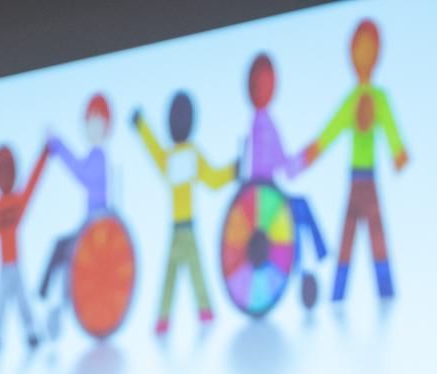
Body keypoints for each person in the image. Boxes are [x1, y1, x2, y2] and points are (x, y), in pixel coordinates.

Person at [296, 17, 408, 301]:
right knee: (347, 237)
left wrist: (398, 153)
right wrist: (308, 156)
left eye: (369, 49)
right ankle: (337, 294)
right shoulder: (351, 100)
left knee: (377, 236)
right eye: (359, 48)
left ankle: (385, 293)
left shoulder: (380, 98)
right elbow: (331, 130)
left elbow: (390, 126)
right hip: (355, 180)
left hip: (369, 180)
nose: (363, 55)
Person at [132, 93, 237, 333]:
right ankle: (200, 312)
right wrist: (234, 170)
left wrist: (141, 125)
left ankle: (167, 319)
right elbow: (214, 180)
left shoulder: (172, 158)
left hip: (180, 228)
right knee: (190, 271)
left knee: (174, 274)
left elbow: (154, 149)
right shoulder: (189, 155)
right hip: (184, 227)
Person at [242, 52, 327, 276]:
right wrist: (306, 158)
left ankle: (300, 264)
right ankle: (299, 264)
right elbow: (282, 165)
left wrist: (305, 159)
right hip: (264, 197)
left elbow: (284, 165)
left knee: (298, 210)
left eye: (267, 83)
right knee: (298, 210)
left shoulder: (265, 121)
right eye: (259, 84)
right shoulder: (262, 122)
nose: (263, 89)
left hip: (267, 193)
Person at [38, 94, 113, 338]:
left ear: (105, 126)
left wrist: (58, 145)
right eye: (88, 122)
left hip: (97, 232)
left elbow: (81, 174)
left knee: (66, 250)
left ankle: (58, 300)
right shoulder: (94, 157)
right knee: (61, 247)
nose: (90, 127)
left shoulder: (99, 159)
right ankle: (47, 297)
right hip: (89, 228)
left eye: (96, 122)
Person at [0, 143, 50, 355]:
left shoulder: (16, 202)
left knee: (20, 301)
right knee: (1, 302)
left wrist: (44, 155)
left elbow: (33, 182)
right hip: (5, 266)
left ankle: (28, 335)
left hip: (15, 264)